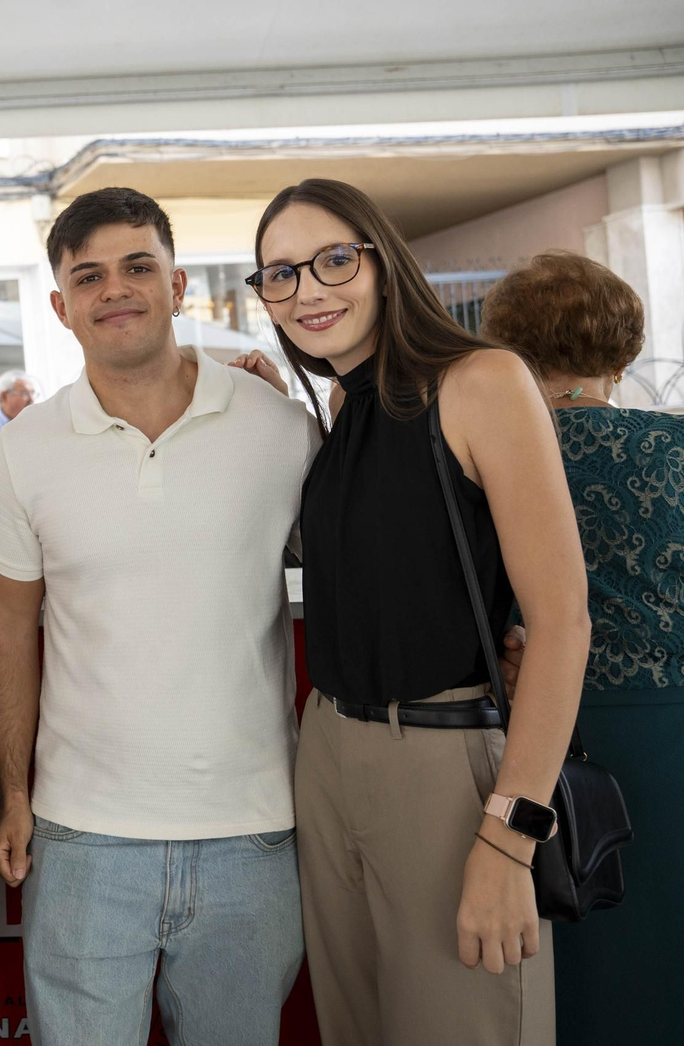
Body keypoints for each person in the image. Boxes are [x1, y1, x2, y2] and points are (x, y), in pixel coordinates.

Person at [0, 187, 314, 1044]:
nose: (114, 290)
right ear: (61, 306)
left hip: (255, 835)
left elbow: (371, 580)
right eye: (88, 276)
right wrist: (15, 794)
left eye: (137, 267)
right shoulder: (24, 451)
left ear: (179, 285)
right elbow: (10, 631)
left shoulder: (279, 428)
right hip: (83, 839)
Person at [256, 180, 588, 1046]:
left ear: (382, 261)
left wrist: (513, 834)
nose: (308, 290)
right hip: (327, 751)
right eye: (279, 275)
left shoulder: (481, 380)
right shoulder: (340, 406)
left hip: (446, 762)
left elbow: (561, 624)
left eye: (333, 260)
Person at [482, 251, 684, 1046]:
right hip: (668, 730)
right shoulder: (676, 449)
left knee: (565, 971)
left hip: (535, 741)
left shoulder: (484, 459)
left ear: (509, 354)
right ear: (626, 352)